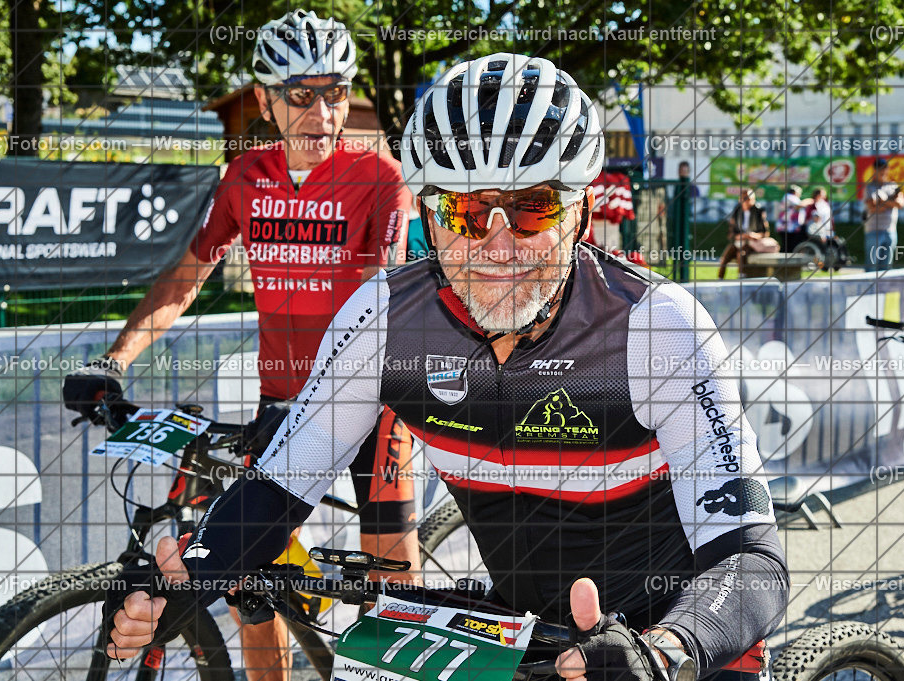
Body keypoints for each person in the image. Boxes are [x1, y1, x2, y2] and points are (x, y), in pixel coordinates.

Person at [103, 53, 789, 681]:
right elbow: (278, 486)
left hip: (684, 633)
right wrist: (179, 584)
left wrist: (665, 650)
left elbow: (751, 558)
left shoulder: (656, 328)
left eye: (533, 207)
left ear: (580, 213)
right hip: (528, 630)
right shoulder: (384, 320)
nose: (498, 245)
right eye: (465, 210)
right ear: (429, 220)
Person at [62, 10, 419, 681]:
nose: (322, 114)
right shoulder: (245, 177)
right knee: (249, 587)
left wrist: (328, 401)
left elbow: (385, 298)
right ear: (265, 99)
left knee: (393, 594)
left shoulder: (380, 178)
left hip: (371, 403)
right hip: (279, 402)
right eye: (301, 95)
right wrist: (113, 361)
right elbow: (186, 276)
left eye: (337, 93)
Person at [717, 188, 774, 279]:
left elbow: (765, 233)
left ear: (753, 199)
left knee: (741, 254)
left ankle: (741, 277)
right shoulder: (737, 211)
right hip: (739, 241)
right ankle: (720, 279)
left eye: (749, 198)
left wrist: (753, 235)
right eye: (744, 198)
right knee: (726, 256)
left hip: (752, 243)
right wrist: (738, 236)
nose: (746, 201)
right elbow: (731, 232)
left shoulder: (759, 211)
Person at [863, 158, 904, 271]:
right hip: (873, 230)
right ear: (874, 170)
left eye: (884, 168)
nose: (882, 171)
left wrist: (883, 202)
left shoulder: (893, 186)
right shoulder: (870, 187)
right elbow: (873, 208)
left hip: (890, 230)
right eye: (879, 168)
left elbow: (900, 204)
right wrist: (891, 203)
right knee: (871, 266)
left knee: (886, 268)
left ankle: (883, 284)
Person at [776, 185, 808, 252]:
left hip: (790, 227)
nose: (800, 195)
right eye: (799, 193)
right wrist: (810, 200)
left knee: (790, 245)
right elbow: (800, 205)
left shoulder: (788, 197)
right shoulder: (789, 196)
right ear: (795, 192)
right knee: (787, 246)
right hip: (786, 227)